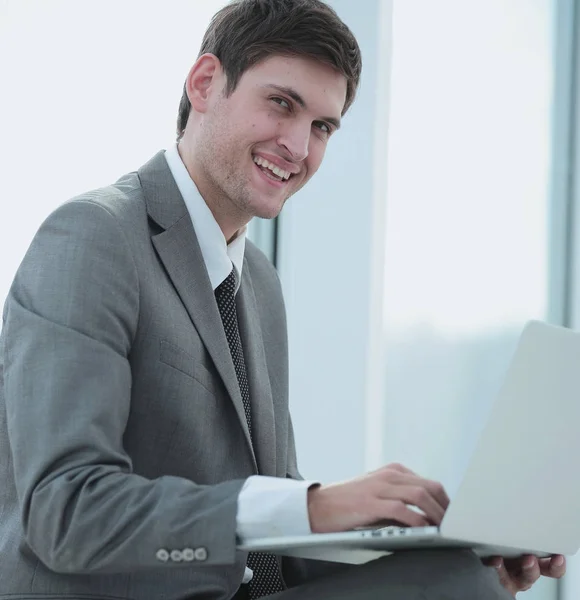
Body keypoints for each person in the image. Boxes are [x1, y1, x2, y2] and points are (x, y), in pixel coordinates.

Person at [0, 1, 566, 598]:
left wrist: (457, 553)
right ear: (205, 84)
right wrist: (317, 506)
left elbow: (271, 547)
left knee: (460, 577)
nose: (297, 146)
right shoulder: (95, 236)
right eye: (282, 103)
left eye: (322, 126)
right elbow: (62, 514)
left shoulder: (259, 284)